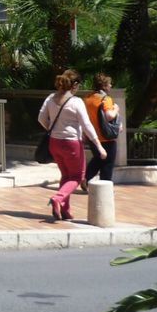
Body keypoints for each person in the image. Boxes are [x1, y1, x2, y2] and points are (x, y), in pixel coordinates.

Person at [37, 68, 107, 221]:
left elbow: (41, 118)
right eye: (79, 85)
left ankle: (65, 210)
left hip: (54, 143)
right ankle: (58, 198)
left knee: (66, 175)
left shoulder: (51, 98)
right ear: (74, 84)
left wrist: (51, 128)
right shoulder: (76, 102)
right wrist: (98, 145)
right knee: (77, 177)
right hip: (71, 144)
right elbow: (86, 125)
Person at [83, 73, 120, 188]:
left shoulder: (87, 99)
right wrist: (116, 109)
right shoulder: (106, 99)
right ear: (104, 86)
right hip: (106, 137)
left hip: (93, 137)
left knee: (98, 160)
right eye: (109, 84)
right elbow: (109, 116)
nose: (111, 86)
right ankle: (105, 189)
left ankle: (85, 178)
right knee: (107, 164)